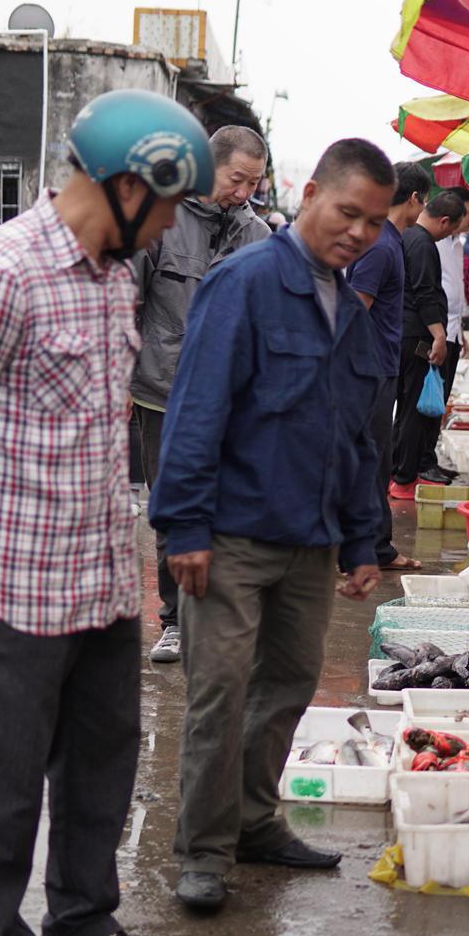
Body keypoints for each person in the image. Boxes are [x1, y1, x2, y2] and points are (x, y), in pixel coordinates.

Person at [0, 88, 204, 936]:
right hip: (13, 579)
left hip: (104, 573)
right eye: (167, 211)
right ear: (129, 188)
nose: (167, 234)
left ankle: (83, 924)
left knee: (101, 768)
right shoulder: (3, 272)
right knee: (2, 782)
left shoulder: (114, 274)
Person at [150, 137, 392, 912]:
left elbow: (354, 437)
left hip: (311, 541)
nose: (358, 233)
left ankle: (256, 823)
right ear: (312, 192)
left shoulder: (348, 307)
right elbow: (195, 410)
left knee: (286, 687)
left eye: (374, 223)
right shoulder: (244, 282)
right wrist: (182, 527)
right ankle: (204, 850)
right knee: (220, 692)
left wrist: (362, 540)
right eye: (348, 212)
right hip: (231, 535)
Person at [132, 125, 270, 663]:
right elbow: (128, 302)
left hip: (233, 401)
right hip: (162, 393)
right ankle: (175, 621)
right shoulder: (160, 219)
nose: (243, 193)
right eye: (237, 179)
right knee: (173, 510)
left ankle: (220, 618)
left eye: (253, 184)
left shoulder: (257, 233)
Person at [347, 160, 430, 566]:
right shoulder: (380, 245)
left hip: (381, 366)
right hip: (367, 370)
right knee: (368, 460)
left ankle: (377, 547)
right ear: (413, 198)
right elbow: (353, 310)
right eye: (424, 201)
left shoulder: (392, 240)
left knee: (377, 460)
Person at [389, 190, 465, 499]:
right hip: (417, 335)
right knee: (413, 410)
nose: (449, 235)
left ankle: (396, 472)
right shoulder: (421, 243)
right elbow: (424, 294)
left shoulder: (406, 237)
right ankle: (404, 478)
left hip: (404, 333)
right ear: (444, 221)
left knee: (405, 406)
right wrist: (438, 336)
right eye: (451, 229)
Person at [422, 186, 469, 481]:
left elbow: (454, 290)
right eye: (468, 213)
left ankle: (428, 457)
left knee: (439, 399)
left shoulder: (458, 244)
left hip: (453, 331)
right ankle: (419, 462)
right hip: (437, 332)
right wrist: (439, 332)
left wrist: (461, 332)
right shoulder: (436, 242)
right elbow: (431, 289)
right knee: (426, 400)